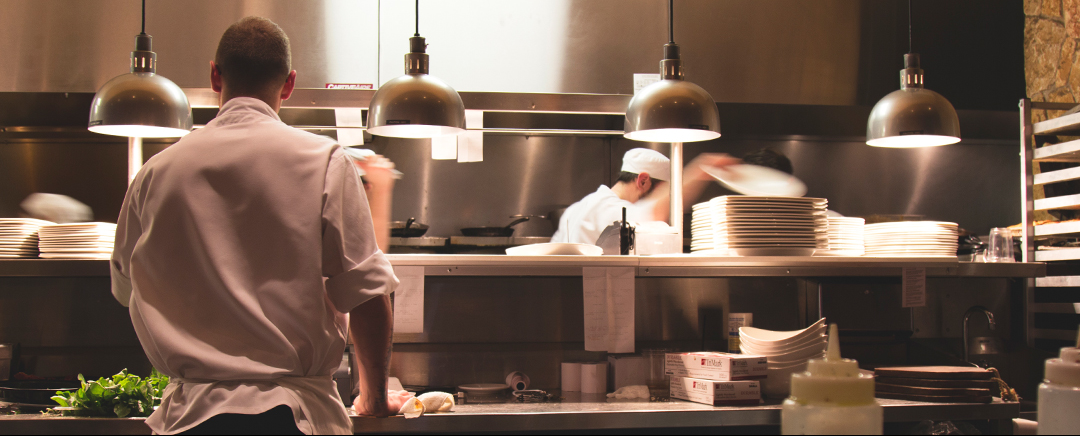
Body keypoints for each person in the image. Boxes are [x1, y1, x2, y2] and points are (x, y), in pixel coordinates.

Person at [110, 17, 407, 435]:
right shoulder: (324, 161)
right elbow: (367, 293)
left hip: (190, 421)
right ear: (289, 84)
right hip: (293, 417)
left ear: (215, 75)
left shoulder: (155, 173)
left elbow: (126, 289)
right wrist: (374, 400)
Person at [552, 148, 736, 245]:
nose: (661, 198)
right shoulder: (609, 209)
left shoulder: (576, 208)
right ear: (643, 181)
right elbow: (652, 212)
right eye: (661, 192)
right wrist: (703, 169)